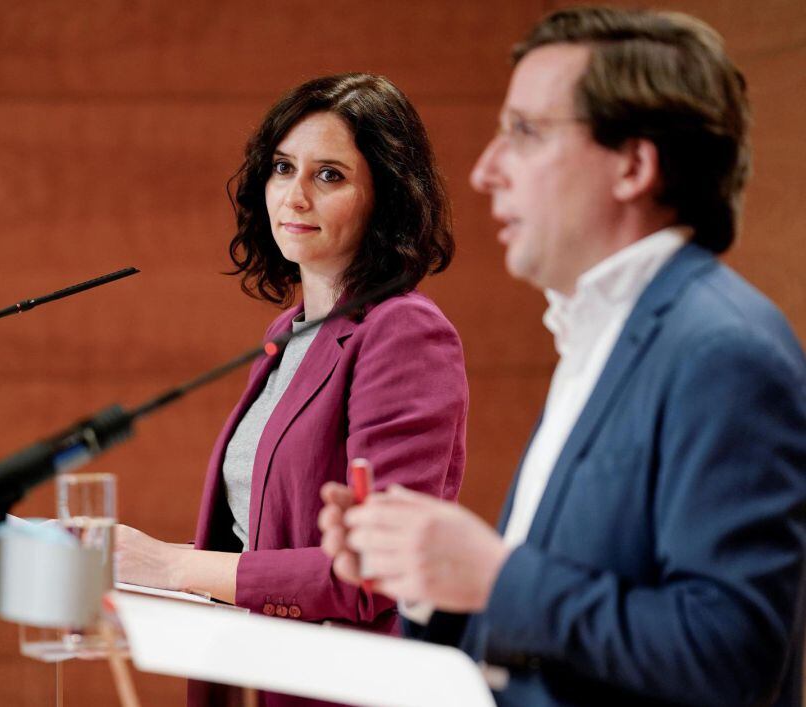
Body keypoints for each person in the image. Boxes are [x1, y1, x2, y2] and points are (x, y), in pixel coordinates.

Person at [319, 7, 806, 707]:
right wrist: (426, 578)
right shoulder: (598, 332)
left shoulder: (723, 350)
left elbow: (730, 655)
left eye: (524, 131)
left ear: (633, 165)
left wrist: (495, 574)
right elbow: (552, 629)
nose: (485, 170)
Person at [115, 73, 469, 705]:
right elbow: (264, 544)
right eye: (283, 168)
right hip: (260, 673)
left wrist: (171, 566)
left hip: (346, 688)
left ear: (385, 197)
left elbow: (375, 572)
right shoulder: (290, 332)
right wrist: (136, 564)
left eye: (329, 175)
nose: (295, 196)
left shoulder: (404, 332)